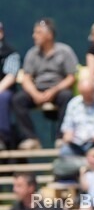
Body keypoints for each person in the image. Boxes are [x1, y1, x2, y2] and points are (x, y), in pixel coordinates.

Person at [11, 18, 79, 150]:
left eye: (38, 32)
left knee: (67, 97)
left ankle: (61, 137)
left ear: (49, 35)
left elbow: (71, 77)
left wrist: (54, 90)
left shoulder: (65, 51)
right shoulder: (32, 53)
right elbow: (26, 77)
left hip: (58, 89)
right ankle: (31, 138)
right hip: (37, 89)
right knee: (18, 100)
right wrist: (34, 93)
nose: (34, 36)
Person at [0, 22, 21, 150]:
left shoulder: (10, 53)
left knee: (2, 97)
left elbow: (11, 76)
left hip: (5, 90)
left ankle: (2, 136)